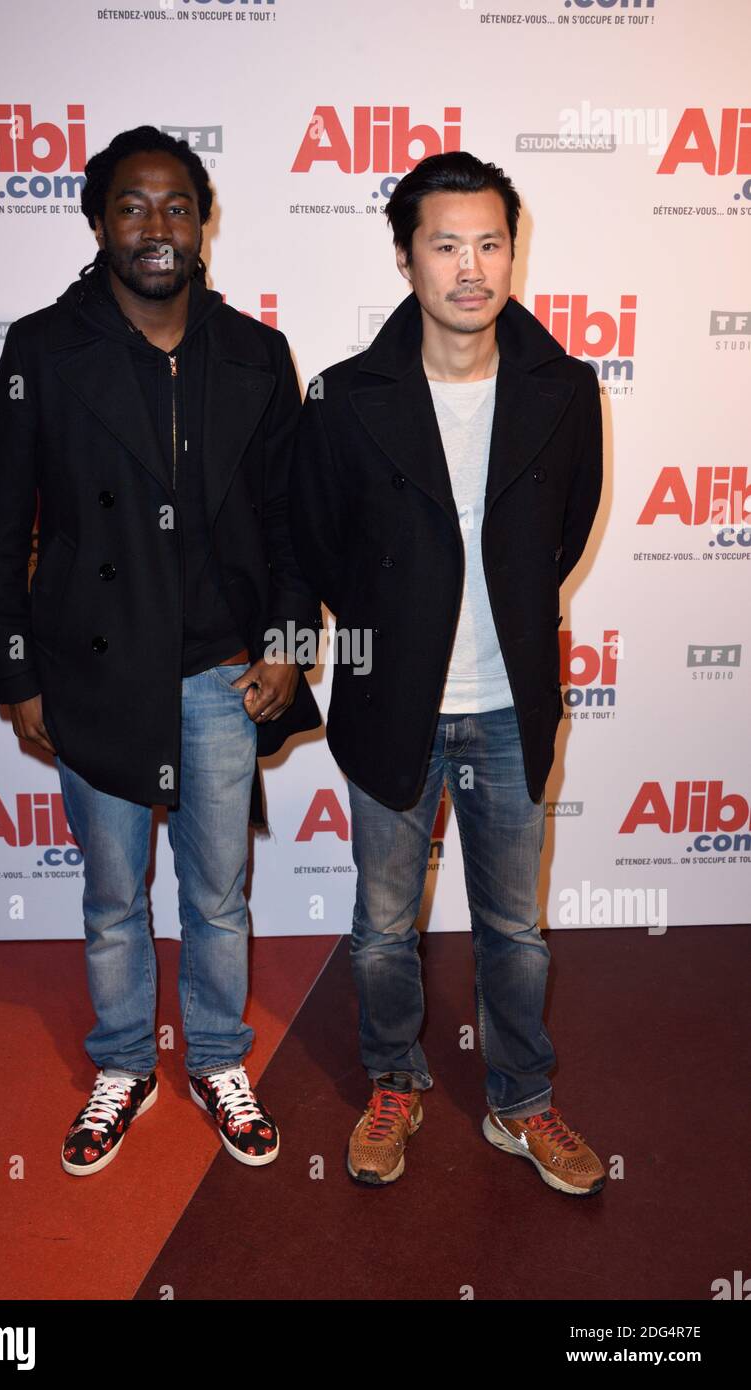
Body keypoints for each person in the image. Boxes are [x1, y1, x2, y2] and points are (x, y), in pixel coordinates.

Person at [0, 125, 321, 1175]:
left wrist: (293, 646)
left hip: (222, 670)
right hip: (93, 669)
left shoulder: (256, 354)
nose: (157, 226)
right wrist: (16, 673)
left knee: (218, 891)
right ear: (98, 222)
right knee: (114, 894)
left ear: (204, 222)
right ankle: (122, 1061)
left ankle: (217, 1054)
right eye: (133, 206)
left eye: (177, 206)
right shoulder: (44, 348)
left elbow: (296, 524)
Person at [289, 151, 605, 1196]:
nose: (471, 268)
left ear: (513, 249)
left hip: (511, 705)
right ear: (404, 256)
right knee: (384, 928)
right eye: (446, 245)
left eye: (490, 243)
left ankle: (522, 1098)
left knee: (515, 929)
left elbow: (558, 536)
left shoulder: (563, 387)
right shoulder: (341, 397)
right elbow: (318, 547)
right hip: (394, 707)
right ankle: (395, 1079)